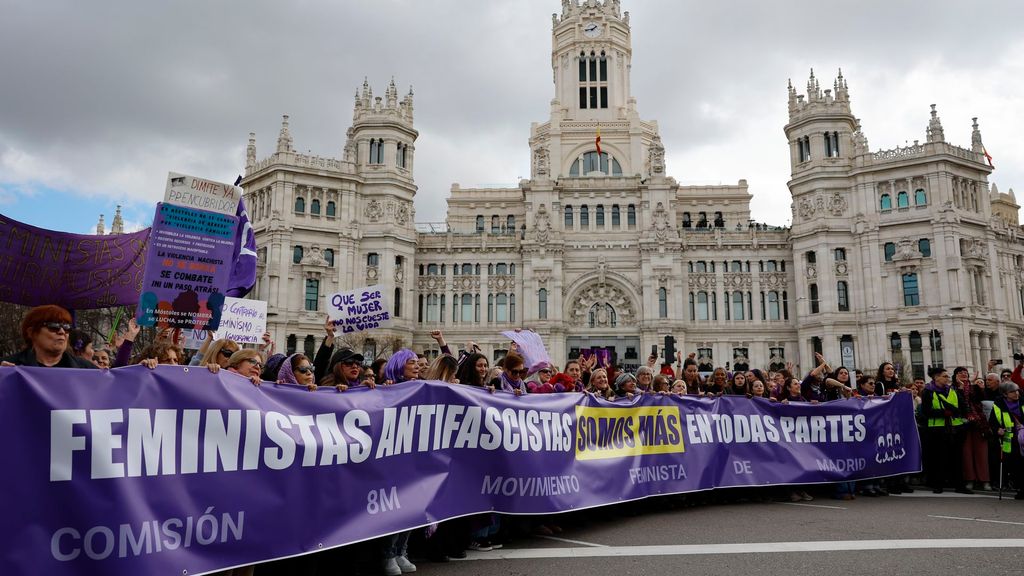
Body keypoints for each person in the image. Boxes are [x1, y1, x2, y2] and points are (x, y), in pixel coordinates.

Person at [920, 366, 972, 494]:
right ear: (936, 377)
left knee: (957, 458)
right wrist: (944, 412)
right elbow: (926, 411)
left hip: (955, 428)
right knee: (939, 458)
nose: (948, 378)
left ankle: (959, 485)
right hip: (937, 429)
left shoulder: (952, 390)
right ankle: (938, 484)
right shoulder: (928, 391)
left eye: (948, 376)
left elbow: (963, 406)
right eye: (945, 376)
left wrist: (959, 413)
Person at [2, 305, 97, 368]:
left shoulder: (86, 369)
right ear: (31, 332)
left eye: (66, 327)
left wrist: (105, 379)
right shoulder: (7, 367)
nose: (62, 331)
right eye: (54, 326)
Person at [957, 367, 991, 491]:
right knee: (967, 453)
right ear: (955, 376)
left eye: (965, 373)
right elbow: (959, 404)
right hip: (962, 424)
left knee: (981, 453)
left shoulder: (975, 387)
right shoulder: (953, 389)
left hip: (979, 423)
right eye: (960, 373)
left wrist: (972, 384)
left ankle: (984, 480)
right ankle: (970, 479)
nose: (963, 374)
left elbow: (982, 397)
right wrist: (961, 388)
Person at [989, 382, 1024, 499]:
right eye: (1012, 392)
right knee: (1016, 465)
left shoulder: (1022, 401)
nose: (1016, 393)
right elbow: (992, 422)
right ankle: (1021, 489)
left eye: (1017, 390)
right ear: (1005, 394)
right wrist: (997, 429)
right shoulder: (998, 405)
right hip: (1010, 440)